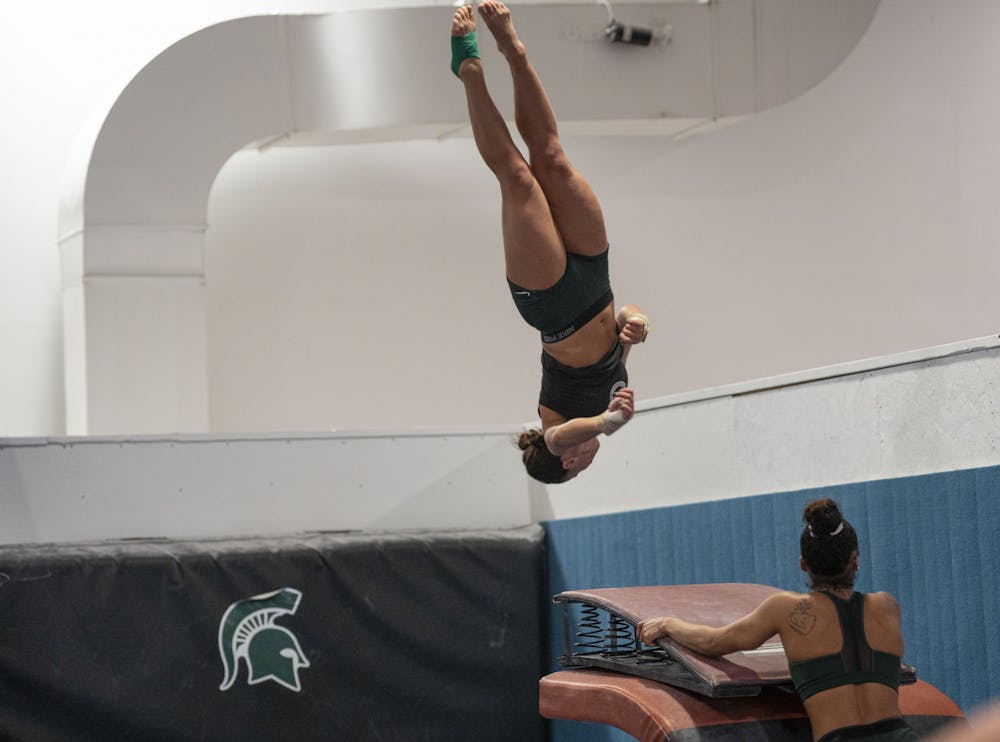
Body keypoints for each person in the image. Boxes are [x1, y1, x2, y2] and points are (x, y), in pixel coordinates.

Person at [450, 1, 650, 484]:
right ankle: (514, 50)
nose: (586, 457)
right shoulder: (607, 395)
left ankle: (470, 67)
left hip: (551, 304)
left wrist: (609, 423)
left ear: (568, 460)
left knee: (518, 177)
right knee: (553, 159)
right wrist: (636, 324)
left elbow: (562, 436)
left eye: (577, 467)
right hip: (594, 279)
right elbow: (620, 325)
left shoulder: (556, 426)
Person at [637, 499, 918, 742]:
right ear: (855, 560)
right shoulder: (886, 606)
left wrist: (667, 624)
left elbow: (714, 642)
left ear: (803, 564)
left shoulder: (784, 609)